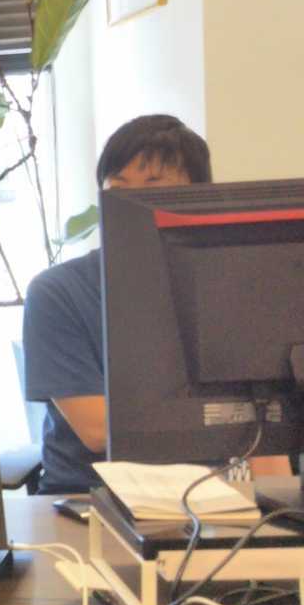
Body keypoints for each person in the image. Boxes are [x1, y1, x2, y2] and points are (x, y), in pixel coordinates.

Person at [22, 114, 291, 493]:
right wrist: (228, 418)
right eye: (117, 189)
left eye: (154, 188)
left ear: (199, 198)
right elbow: (97, 430)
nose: (130, 205)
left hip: (204, 497)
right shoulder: (58, 291)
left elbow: (265, 430)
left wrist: (281, 506)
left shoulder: (231, 293)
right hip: (88, 498)